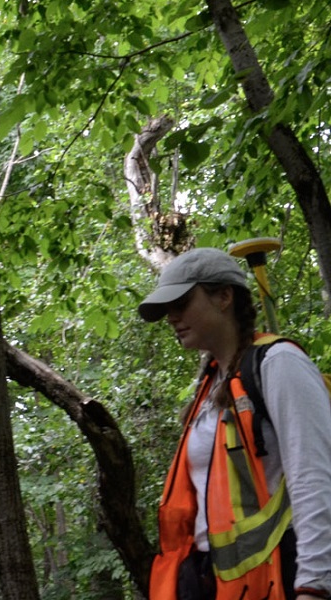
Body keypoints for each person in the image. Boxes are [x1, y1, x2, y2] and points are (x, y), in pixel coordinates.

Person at [139, 248, 331, 600]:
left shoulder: (279, 363)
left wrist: (314, 586)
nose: (171, 317)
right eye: (168, 309)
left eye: (181, 303)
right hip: (216, 582)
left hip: (281, 578)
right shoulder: (210, 384)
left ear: (224, 297)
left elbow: (314, 477)